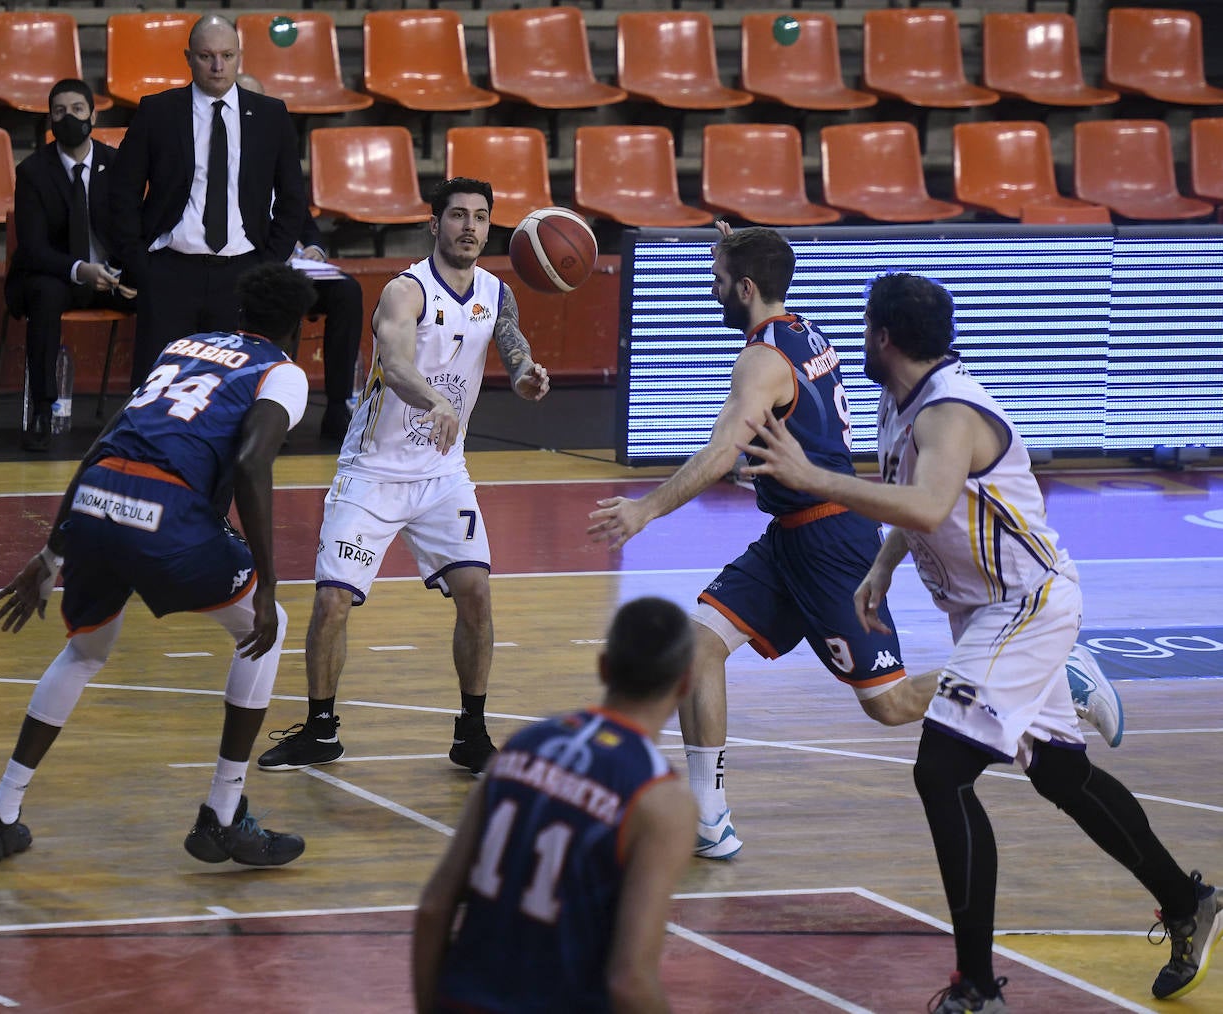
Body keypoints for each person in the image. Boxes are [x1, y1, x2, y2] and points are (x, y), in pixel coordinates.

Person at [739, 271, 1219, 1011]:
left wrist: (814, 478)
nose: (860, 338)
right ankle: (1186, 901)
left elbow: (930, 504)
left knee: (940, 773)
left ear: (884, 337)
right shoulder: (901, 402)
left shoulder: (949, 413)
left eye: (866, 327)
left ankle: (975, 988)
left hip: (1025, 604)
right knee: (1061, 774)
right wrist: (882, 564)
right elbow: (923, 497)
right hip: (988, 612)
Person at [586, 225, 1123, 863]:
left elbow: (724, 447)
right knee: (696, 649)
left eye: (721, 279)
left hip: (830, 539)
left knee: (889, 705)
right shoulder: (801, 328)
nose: (713, 288)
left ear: (748, 288)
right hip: (790, 534)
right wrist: (741, 244)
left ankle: (1055, 671)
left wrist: (645, 509)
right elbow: (776, 379)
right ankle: (708, 816)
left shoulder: (760, 360)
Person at [0, 262, 317, 868]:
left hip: (96, 498)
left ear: (240, 315)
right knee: (271, 624)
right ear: (299, 329)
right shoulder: (282, 373)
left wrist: (53, 551)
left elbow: (108, 438)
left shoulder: (184, 346)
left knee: (84, 652)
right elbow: (255, 463)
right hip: (164, 510)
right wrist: (267, 580)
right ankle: (222, 817)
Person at [256, 177, 550, 776]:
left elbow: (513, 346)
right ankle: (320, 731)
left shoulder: (497, 292)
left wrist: (524, 375)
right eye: (458, 215)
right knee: (333, 602)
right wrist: (437, 402)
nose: (470, 226)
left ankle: (472, 733)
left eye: (481, 217)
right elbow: (393, 363)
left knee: (476, 595)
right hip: (373, 472)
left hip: (443, 476)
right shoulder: (404, 291)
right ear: (433, 225)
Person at [413, 596, 698, 1013]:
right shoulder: (661, 800)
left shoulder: (521, 746)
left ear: (604, 667)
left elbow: (434, 909)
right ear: (686, 683)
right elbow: (630, 980)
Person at [107, 15, 305, 391]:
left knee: (235, 392)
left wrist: (267, 263)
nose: (218, 66)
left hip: (243, 272)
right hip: (169, 270)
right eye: (206, 56)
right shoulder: (157, 111)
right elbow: (122, 192)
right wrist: (139, 263)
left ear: (240, 56)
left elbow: (293, 199)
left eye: (227, 56)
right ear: (188, 57)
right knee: (157, 391)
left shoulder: (270, 115)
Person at [6, 77, 136, 452]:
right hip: (57, 275)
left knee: (158, 292)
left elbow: (133, 232)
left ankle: (148, 408)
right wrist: (81, 270)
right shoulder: (33, 171)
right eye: (59, 111)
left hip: (110, 277)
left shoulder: (117, 165)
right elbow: (32, 249)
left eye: (77, 110)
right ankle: (43, 411)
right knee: (44, 295)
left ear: (93, 114)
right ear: (50, 120)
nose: (69, 117)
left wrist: (121, 271)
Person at [235, 72, 364, 444]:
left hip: (295, 265)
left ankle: (339, 405)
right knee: (274, 301)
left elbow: (300, 214)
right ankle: (268, 411)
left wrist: (315, 248)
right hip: (249, 265)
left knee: (347, 292)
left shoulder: (275, 147)